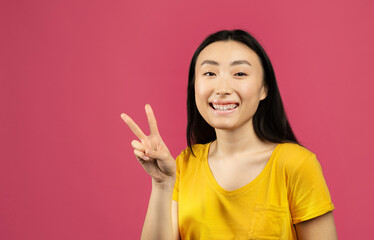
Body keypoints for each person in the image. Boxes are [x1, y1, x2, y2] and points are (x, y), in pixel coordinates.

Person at [121, 29, 337, 240]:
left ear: (264, 88)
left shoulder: (297, 164)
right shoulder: (185, 165)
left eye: (240, 74)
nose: (222, 88)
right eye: (210, 74)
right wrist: (162, 184)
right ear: (194, 87)